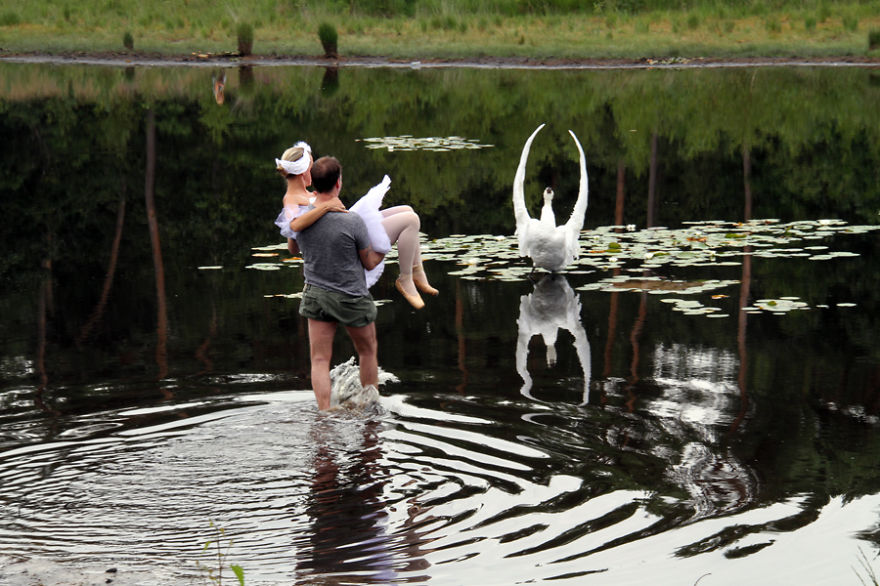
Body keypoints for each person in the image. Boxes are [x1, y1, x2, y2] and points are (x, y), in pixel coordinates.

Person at [274, 141, 438, 309]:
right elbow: (294, 234)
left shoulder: (306, 194)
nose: (313, 171)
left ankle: (417, 272)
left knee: (407, 210)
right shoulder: (291, 199)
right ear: (302, 171)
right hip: (343, 242)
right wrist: (325, 207)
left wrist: (323, 205)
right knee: (410, 221)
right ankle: (405, 278)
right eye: (311, 166)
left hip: (346, 226)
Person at [295, 156, 385, 410]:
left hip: (316, 296)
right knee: (367, 351)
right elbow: (369, 262)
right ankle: (369, 409)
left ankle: (324, 412)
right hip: (352, 298)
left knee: (320, 359)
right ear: (338, 184)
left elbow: (292, 246)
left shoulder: (302, 218)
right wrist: (385, 249)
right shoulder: (352, 220)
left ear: (314, 184)